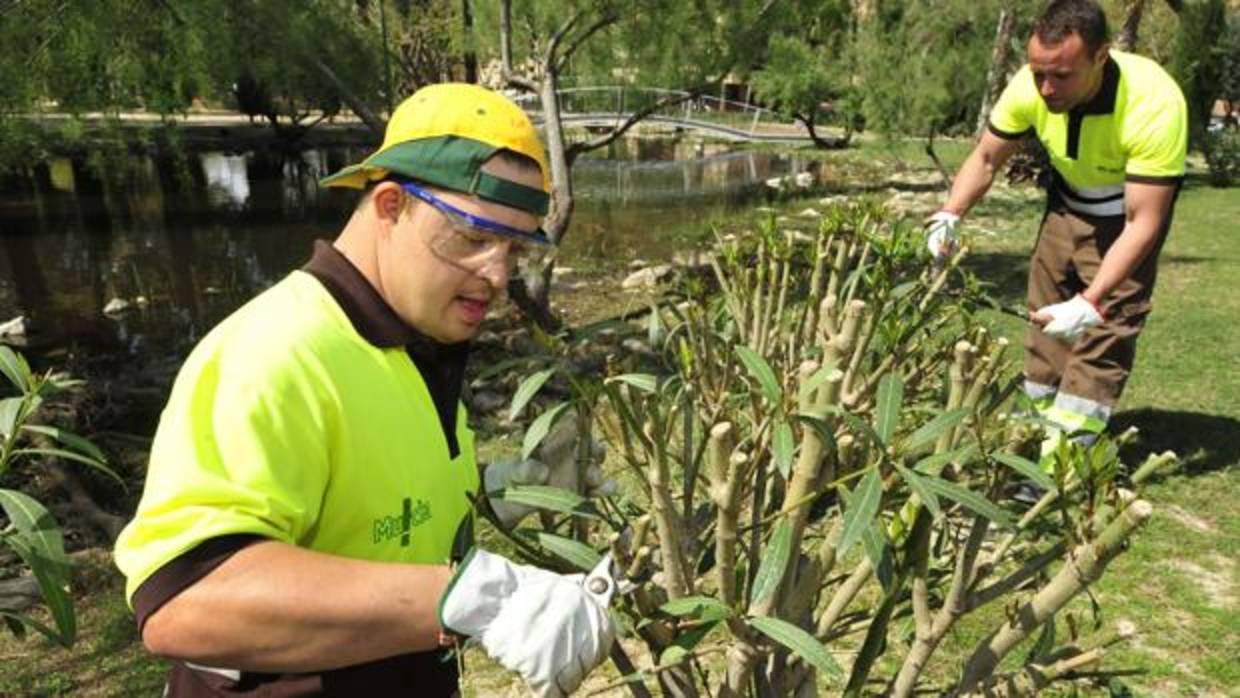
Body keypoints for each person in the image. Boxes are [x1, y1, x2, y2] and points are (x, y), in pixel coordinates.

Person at [113, 83, 618, 697]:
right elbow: (184, 603)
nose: (497, 273)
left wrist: (499, 494)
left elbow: (373, 516)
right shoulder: (277, 351)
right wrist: (476, 597)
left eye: (514, 246)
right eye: (472, 236)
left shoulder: (413, 341)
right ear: (389, 206)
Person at [925, 0, 1187, 465]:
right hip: (1066, 204)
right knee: (1045, 327)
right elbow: (986, 159)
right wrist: (951, 214)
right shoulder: (1031, 85)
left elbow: (1144, 221)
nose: (1046, 88)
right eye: (1038, 72)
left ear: (1100, 57)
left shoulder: (1153, 102)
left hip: (1123, 220)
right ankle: (1026, 448)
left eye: (1061, 76)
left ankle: (1057, 464)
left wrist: (1092, 301)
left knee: (1101, 331)